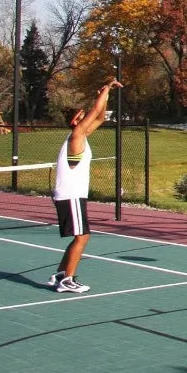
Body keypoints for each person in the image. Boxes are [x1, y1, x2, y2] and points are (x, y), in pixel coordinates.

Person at [48, 79, 122, 293]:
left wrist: (105, 97)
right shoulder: (75, 137)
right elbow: (96, 110)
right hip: (70, 195)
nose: (85, 119)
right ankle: (67, 280)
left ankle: (60, 275)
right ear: (74, 120)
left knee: (80, 236)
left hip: (73, 195)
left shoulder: (82, 137)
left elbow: (99, 115)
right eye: (81, 117)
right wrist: (107, 88)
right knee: (82, 237)